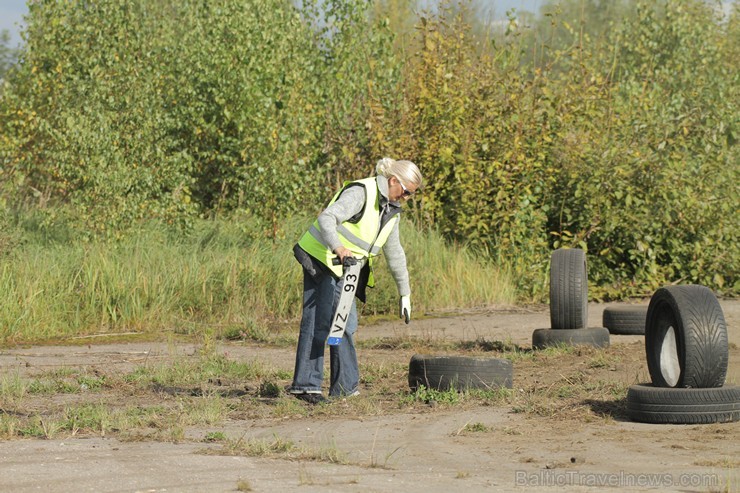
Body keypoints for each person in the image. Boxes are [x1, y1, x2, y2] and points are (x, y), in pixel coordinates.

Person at [288, 157, 423, 404]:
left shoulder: (390, 211)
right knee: (320, 321)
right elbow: (327, 218)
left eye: (410, 195)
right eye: (405, 192)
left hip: (346, 269)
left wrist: (405, 293)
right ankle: (307, 386)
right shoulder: (361, 192)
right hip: (321, 258)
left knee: (345, 324)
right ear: (393, 181)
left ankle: (345, 389)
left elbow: (395, 253)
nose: (405, 198)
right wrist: (339, 248)